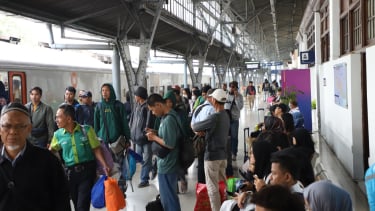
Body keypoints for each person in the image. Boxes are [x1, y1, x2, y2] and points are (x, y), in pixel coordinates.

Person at [0, 102, 71, 211]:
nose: (13, 131)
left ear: (29, 128)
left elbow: (61, 200)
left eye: (20, 126)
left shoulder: (48, 161)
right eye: (7, 126)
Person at [50, 104, 110, 211]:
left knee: (82, 205)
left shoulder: (86, 130)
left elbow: (96, 149)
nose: (56, 120)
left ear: (68, 119)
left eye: (59, 117)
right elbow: (51, 151)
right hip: (70, 174)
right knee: (75, 202)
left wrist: (105, 165)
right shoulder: (58, 135)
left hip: (87, 171)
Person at [192, 89, 230, 211]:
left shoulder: (215, 117)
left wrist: (202, 131)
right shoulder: (226, 115)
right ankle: (226, 207)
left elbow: (195, 126)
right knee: (223, 185)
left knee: (212, 188)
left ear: (214, 100)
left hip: (212, 156)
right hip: (223, 155)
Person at [146, 93, 181, 211]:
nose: (153, 113)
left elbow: (170, 144)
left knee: (169, 199)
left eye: (153, 110)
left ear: (158, 105)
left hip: (168, 165)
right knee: (168, 197)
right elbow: (168, 136)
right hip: (167, 164)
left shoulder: (169, 120)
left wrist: (154, 138)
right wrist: (155, 132)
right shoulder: (167, 117)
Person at [94, 83, 131, 193]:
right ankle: (111, 189)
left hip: (118, 141)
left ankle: (121, 189)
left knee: (119, 165)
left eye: (107, 90)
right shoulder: (99, 106)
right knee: (107, 166)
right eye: (102, 90)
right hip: (104, 142)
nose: (104, 92)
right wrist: (96, 139)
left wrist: (127, 139)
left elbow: (124, 123)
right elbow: (96, 125)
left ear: (112, 92)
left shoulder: (118, 105)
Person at [129, 86, 155, 188]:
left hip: (145, 138)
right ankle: (153, 167)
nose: (134, 97)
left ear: (139, 96)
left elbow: (149, 123)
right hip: (137, 137)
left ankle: (144, 179)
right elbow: (132, 120)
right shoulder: (137, 106)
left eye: (136, 95)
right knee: (139, 158)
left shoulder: (147, 107)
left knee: (147, 158)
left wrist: (145, 134)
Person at [191, 88, 216, 183]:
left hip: (199, 141)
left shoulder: (198, 108)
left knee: (201, 163)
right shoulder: (213, 110)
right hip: (209, 140)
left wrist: (197, 132)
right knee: (209, 164)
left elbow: (192, 124)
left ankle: (201, 186)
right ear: (211, 98)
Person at [225, 81, 244, 161]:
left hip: (234, 119)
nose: (232, 89)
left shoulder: (239, 96)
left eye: (234, 87)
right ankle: (227, 152)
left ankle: (234, 153)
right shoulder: (226, 95)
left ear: (236, 88)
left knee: (234, 137)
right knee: (226, 137)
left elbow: (240, 107)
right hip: (226, 118)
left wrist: (236, 97)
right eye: (231, 87)